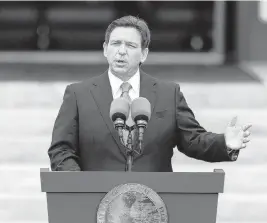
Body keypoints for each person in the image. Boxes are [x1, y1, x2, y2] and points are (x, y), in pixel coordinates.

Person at [48, 15, 252, 172]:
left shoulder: (168, 94)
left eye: (130, 45)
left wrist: (225, 143)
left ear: (144, 54)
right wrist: (77, 185)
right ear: (105, 49)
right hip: (96, 206)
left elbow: (192, 140)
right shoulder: (78, 94)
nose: (121, 51)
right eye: (115, 44)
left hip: (153, 208)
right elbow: (61, 149)